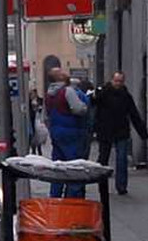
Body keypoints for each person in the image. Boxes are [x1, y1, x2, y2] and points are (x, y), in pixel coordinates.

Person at [92, 71, 148, 195]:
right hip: (105, 130)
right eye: (116, 81)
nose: (118, 83)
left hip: (121, 131)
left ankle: (121, 186)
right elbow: (93, 105)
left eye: (120, 81)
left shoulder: (126, 96)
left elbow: (134, 115)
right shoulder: (104, 93)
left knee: (122, 159)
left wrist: (142, 132)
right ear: (112, 80)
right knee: (103, 158)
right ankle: (102, 182)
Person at [45, 68, 91, 198]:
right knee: (73, 168)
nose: (65, 72)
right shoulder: (68, 91)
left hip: (56, 132)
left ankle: (55, 198)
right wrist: (85, 105)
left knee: (58, 168)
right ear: (59, 77)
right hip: (72, 132)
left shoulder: (49, 94)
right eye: (61, 72)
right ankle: (72, 199)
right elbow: (78, 109)